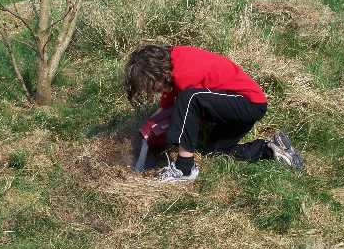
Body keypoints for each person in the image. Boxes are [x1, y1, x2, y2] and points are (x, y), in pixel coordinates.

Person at [125, 45, 304, 181]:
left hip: (248, 104)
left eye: (151, 87)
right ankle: (271, 149)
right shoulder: (172, 67)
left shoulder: (184, 71)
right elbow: (167, 104)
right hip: (230, 109)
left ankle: (184, 168)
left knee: (189, 99)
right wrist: (150, 126)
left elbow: (186, 109)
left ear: (157, 73)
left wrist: (167, 134)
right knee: (213, 152)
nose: (153, 92)